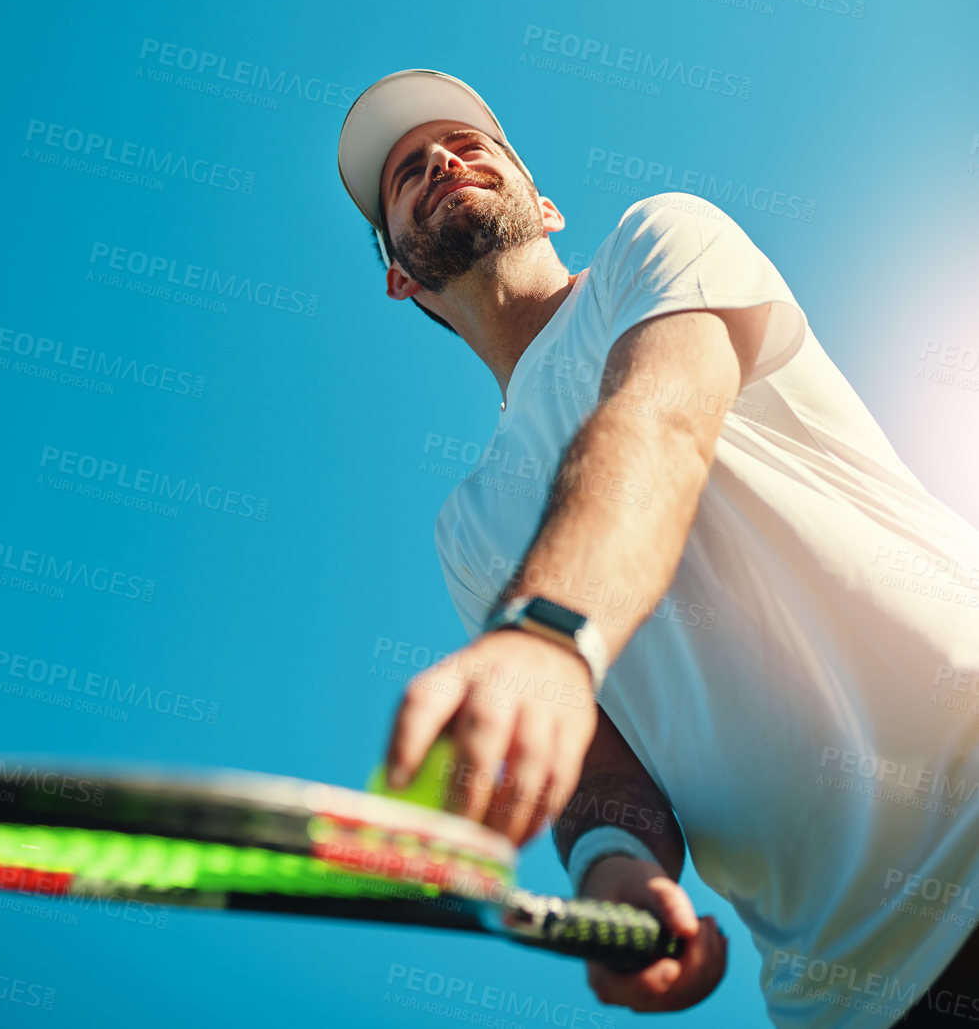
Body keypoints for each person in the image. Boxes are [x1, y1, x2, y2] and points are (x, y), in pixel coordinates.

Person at [337, 69, 979, 1028]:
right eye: (404, 174)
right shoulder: (467, 530)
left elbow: (659, 417)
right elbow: (603, 771)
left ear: (542, 201)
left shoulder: (659, 236)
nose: (440, 160)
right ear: (401, 274)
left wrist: (546, 633)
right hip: (853, 1000)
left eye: (468, 143)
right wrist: (613, 868)